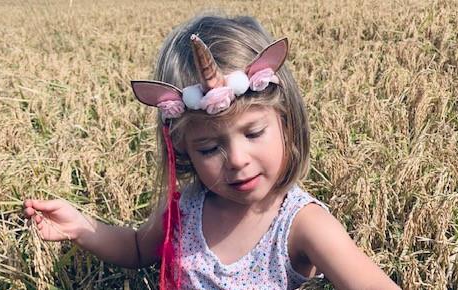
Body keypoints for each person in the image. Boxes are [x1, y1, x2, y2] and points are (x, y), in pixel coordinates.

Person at [23, 14, 400, 290]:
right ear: (182, 149)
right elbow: (139, 248)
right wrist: (81, 228)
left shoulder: (301, 224)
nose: (236, 159)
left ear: (287, 123)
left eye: (253, 133)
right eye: (209, 148)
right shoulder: (189, 206)